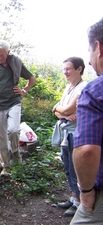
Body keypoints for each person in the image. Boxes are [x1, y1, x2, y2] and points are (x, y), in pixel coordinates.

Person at [0, 40, 36, 177]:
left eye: (2, 55)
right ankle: (5, 166)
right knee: (2, 137)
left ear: (8, 52)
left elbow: (32, 78)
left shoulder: (16, 63)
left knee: (13, 130)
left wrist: (24, 90)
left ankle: (15, 151)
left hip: (14, 102)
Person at [71, 18, 103, 225]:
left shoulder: (94, 90)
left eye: (90, 53)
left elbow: (87, 150)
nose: (90, 62)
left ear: (99, 48)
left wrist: (86, 193)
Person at [51, 57, 87, 217]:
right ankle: (74, 197)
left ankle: (80, 202)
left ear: (79, 69)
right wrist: (60, 110)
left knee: (76, 168)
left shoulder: (83, 87)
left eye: (68, 69)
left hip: (76, 133)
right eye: (64, 69)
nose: (65, 72)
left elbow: (67, 110)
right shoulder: (68, 88)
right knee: (67, 166)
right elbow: (58, 111)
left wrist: (62, 111)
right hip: (66, 133)